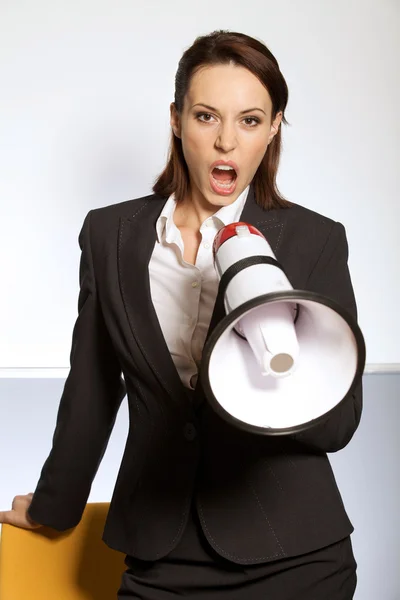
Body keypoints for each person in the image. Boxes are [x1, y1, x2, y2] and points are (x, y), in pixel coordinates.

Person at [0, 30, 361, 599]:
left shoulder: (313, 241)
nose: (225, 143)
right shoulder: (108, 236)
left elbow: (340, 424)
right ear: (175, 119)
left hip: (295, 559)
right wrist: (55, 508)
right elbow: (92, 391)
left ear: (272, 129)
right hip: (159, 554)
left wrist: (280, 358)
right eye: (205, 115)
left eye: (248, 120)